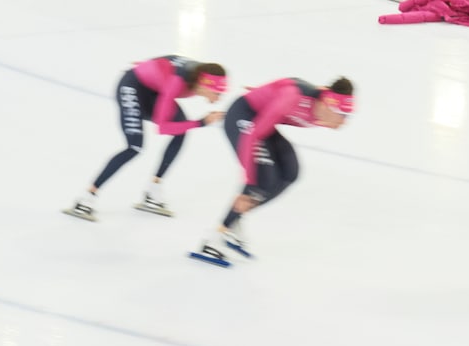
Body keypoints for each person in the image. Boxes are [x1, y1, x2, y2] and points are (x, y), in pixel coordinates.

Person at [190, 76, 354, 266]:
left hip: (262, 119)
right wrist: (249, 182)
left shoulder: (323, 103)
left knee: (290, 172)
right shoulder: (292, 98)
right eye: (342, 114)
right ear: (328, 105)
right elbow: (252, 136)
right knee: (263, 178)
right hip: (243, 117)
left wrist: (265, 92)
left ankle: (233, 222)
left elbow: (294, 83)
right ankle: (214, 238)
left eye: (348, 116)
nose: (344, 122)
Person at [65, 55, 228, 220]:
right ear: (205, 85)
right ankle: (86, 198)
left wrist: (148, 67)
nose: (218, 98)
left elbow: (170, 59)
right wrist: (201, 122)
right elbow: (163, 127)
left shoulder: (197, 74)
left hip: (154, 90)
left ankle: (153, 191)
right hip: (132, 88)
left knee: (181, 131)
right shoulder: (177, 82)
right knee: (135, 147)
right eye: (217, 93)